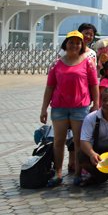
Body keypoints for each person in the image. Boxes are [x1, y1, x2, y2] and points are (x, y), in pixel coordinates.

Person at [41, 31, 99, 186]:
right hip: (59, 107)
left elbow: (94, 84)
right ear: (65, 44)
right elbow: (49, 87)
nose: (74, 46)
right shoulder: (56, 64)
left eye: (77, 43)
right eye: (71, 42)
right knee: (58, 141)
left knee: (79, 141)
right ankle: (58, 173)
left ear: (81, 45)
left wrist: (96, 104)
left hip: (80, 107)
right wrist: (43, 108)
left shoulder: (88, 62)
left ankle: (78, 173)